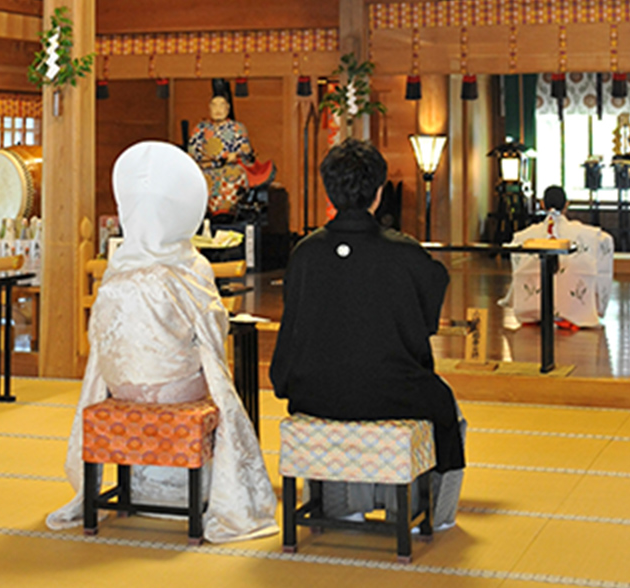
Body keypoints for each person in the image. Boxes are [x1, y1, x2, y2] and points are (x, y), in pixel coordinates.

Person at [46, 141, 278, 543]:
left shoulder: (118, 266)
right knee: (211, 377)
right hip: (179, 389)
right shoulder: (191, 265)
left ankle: (140, 482)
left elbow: (99, 335)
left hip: (121, 386)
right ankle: (204, 490)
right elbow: (212, 330)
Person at [270, 138, 466, 530]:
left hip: (314, 389)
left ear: (329, 189)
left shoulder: (305, 253)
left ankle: (343, 505)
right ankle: (420, 512)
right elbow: (427, 313)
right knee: (445, 410)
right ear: (379, 193)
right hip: (392, 389)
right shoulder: (405, 252)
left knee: (343, 397)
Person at [500, 185, 614, 329]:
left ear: (542, 204)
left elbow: (515, 250)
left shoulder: (525, 235)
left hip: (536, 298)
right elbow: (605, 240)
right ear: (567, 204)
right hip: (572, 303)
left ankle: (533, 311)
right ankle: (570, 314)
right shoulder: (583, 233)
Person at [189, 78, 255, 217]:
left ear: (228, 108)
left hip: (229, 167)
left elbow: (246, 150)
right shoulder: (200, 129)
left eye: (221, 105)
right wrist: (202, 157)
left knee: (234, 174)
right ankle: (202, 213)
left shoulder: (237, 128)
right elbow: (192, 150)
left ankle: (226, 211)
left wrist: (235, 155)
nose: (218, 109)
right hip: (206, 167)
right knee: (196, 178)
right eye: (214, 105)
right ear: (209, 108)